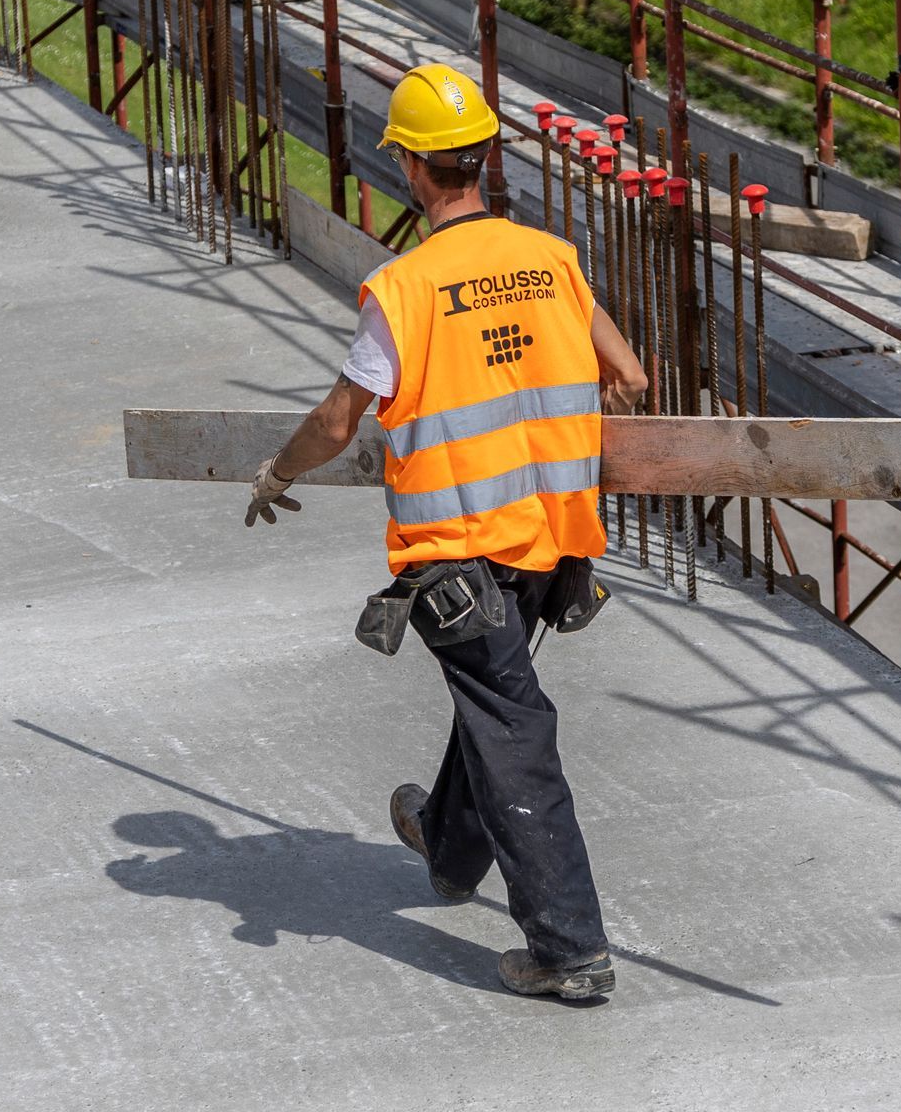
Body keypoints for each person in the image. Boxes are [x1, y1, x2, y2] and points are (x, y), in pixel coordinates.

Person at [243, 63, 648, 1001]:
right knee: (497, 696)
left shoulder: (405, 288)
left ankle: (570, 951)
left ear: (416, 172)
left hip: (458, 554)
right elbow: (628, 375)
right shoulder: (550, 259)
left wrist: (279, 471)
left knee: (514, 729)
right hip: (550, 545)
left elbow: (342, 421)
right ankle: (449, 846)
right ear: (485, 157)